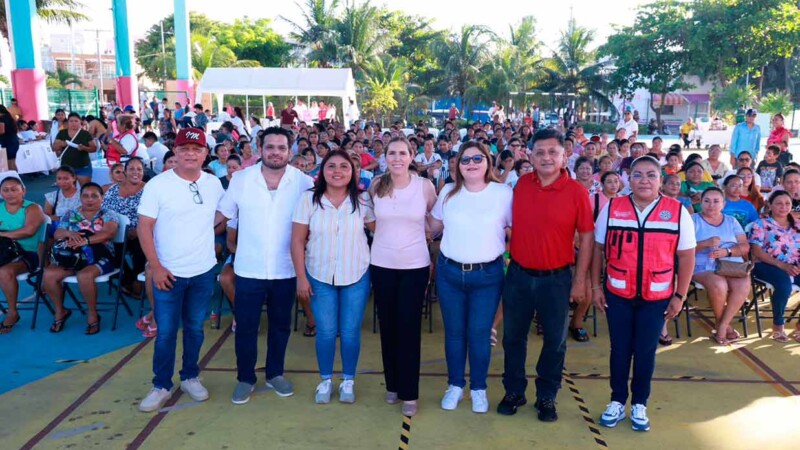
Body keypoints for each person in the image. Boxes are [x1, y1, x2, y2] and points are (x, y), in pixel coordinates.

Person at [592, 156, 696, 432]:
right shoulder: (613, 207)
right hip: (618, 293)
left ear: (661, 179)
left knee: (646, 351)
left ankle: (640, 403)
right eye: (637, 175)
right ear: (629, 179)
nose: (644, 181)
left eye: (651, 175)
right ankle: (616, 400)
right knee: (620, 349)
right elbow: (597, 251)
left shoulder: (676, 211)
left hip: (657, 297)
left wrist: (680, 296)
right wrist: (595, 286)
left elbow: (686, 257)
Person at [498, 128, 594, 422]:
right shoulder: (520, 186)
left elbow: (587, 237)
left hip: (557, 278)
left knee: (554, 340)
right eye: (539, 152)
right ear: (529, 155)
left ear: (565, 156)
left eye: (553, 152)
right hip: (518, 275)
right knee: (513, 338)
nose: (546, 157)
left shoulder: (577, 191)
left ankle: (547, 395)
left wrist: (580, 280)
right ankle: (514, 390)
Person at [217, 127, 314, 405]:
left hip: (286, 270)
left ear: (290, 150)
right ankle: (245, 378)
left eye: (281, 147)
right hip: (248, 268)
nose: (275, 152)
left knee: (281, 325)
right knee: (246, 326)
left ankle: (275, 374)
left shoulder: (303, 182)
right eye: (270, 147)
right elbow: (222, 215)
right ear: (260, 148)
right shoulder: (241, 180)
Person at [136, 128, 224, 412]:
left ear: (204, 154)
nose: (190, 153)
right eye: (184, 148)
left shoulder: (213, 184)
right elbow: (144, 227)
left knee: (195, 329)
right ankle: (161, 384)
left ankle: (190, 376)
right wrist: (157, 267)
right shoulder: (158, 185)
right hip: (168, 274)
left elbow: (221, 215)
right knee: (166, 332)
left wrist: (203, 234)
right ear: (174, 152)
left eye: (196, 149)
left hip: (202, 271)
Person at [427, 141, 512, 413]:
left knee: (478, 333)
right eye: (465, 160)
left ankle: (478, 388)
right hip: (450, 272)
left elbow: (517, 228)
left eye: (478, 158)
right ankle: (455, 385)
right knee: (453, 334)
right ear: (457, 165)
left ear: (488, 162)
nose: (472, 164)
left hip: (488, 275)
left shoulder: (503, 193)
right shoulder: (448, 193)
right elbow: (432, 225)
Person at [291, 150, 375, 404]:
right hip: (319, 275)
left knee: (350, 332)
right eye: (331, 166)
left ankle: (348, 380)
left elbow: (380, 230)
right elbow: (296, 240)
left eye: (344, 167)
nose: (337, 171)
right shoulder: (309, 200)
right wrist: (300, 277)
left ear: (353, 172)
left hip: (357, 274)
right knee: (326, 331)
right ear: (321, 171)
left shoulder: (363, 200)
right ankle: (325, 380)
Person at [369, 136, 437, 417]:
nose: (397, 158)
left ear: (412, 156)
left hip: (414, 266)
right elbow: (369, 219)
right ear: (385, 157)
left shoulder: (424, 186)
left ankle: (410, 392)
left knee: (409, 329)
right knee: (388, 327)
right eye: (391, 153)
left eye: (402, 153)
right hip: (382, 264)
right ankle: (393, 385)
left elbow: (435, 218)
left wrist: (427, 234)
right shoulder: (377, 185)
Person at [44, 182, 121, 335]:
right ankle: (60, 311)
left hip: (101, 256)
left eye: (94, 196)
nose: (89, 199)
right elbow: (58, 233)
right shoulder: (70, 214)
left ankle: (92, 314)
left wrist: (85, 241)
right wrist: (69, 234)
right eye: (85, 196)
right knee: (49, 274)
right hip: (74, 257)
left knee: (85, 276)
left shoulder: (108, 214)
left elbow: (108, 234)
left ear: (102, 197)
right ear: (80, 198)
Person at [691, 187, 751, 345]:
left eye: (716, 201)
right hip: (702, 265)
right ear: (701, 203)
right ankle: (721, 323)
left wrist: (727, 251)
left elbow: (745, 246)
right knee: (719, 284)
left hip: (730, 264)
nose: (711, 205)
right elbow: (681, 249)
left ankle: (723, 325)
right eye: (707, 201)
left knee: (744, 283)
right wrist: (705, 244)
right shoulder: (692, 220)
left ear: (723, 204)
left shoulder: (731, 221)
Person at [749, 190, 800, 343]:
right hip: (766, 264)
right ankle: (778, 326)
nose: (783, 207)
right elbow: (756, 251)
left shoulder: (797, 224)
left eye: (787, 203)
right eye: (778, 203)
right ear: (770, 205)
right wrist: (781, 265)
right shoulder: (761, 224)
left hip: (794, 264)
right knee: (783, 285)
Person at [0, 177, 45, 333]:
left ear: (23, 191)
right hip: (3, 253)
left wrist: (2, 235)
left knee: (5, 272)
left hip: (27, 254)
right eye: (5, 190)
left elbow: (29, 231)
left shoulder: (32, 208)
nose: (10, 193)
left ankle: (12, 312)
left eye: (14, 189)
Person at [102, 157, 147, 296]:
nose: (135, 172)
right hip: (115, 231)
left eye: (139, 169)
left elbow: (158, 215)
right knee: (104, 245)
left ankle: (137, 280)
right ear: (125, 172)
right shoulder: (113, 190)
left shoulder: (150, 190)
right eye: (131, 169)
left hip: (142, 231)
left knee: (139, 245)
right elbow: (104, 212)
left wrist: (138, 230)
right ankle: (129, 277)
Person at [52, 112, 97, 185]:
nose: (73, 123)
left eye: (76, 121)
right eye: (71, 121)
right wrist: (61, 144)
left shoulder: (85, 134)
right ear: (68, 122)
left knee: (85, 187)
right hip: (66, 167)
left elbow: (94, 148)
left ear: (80, 122)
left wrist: (84, 148)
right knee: (68, 189)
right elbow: (54, 148)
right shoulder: (62, 133)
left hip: (83, 166)